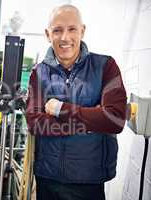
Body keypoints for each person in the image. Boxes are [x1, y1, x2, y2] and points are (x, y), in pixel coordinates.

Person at [26, 4, 127, 200]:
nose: (65, 37)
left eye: (72, 29)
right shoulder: (39, 73)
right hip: (47, 178)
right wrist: (91, 120)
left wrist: (60, 109)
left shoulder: (106, 66)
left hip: (88, 179)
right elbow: (34, 122)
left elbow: (115, 120)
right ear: (48, 34)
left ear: (83, 31)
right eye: (57, 30)